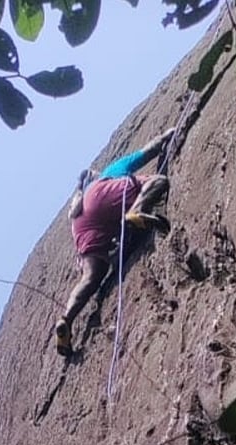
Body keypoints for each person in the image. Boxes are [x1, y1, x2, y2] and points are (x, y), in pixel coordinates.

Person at [54, 128, 176, 356]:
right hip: (102, 196)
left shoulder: (75, 215)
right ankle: (136, 211)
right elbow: (148, 151)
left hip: (84, 226)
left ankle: (66, 320)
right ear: (93, 175)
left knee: (91, 277)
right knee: (158, 181)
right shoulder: (106, 174)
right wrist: (166, 136)